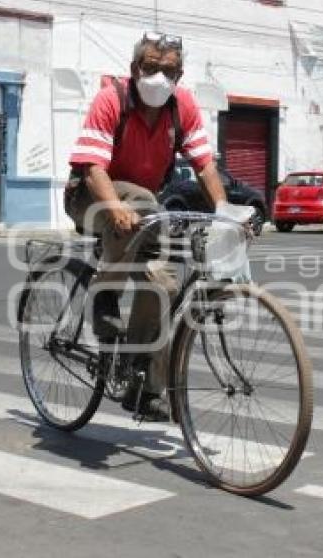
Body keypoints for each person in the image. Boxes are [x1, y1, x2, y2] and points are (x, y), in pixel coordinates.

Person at [65, 32, 230, 420]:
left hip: (143, 210)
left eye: (168, 71)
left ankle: (141, 383)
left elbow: (204, 163)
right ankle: (104, 292)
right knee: (139, 199)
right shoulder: (112, 99)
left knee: (166, 282)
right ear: (135, 69)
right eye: (151, 68)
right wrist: (114, 207)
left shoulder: (181, 106)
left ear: (180, 74)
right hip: (91, 197)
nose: (159, 77)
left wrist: (224, 209)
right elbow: (92, 168)